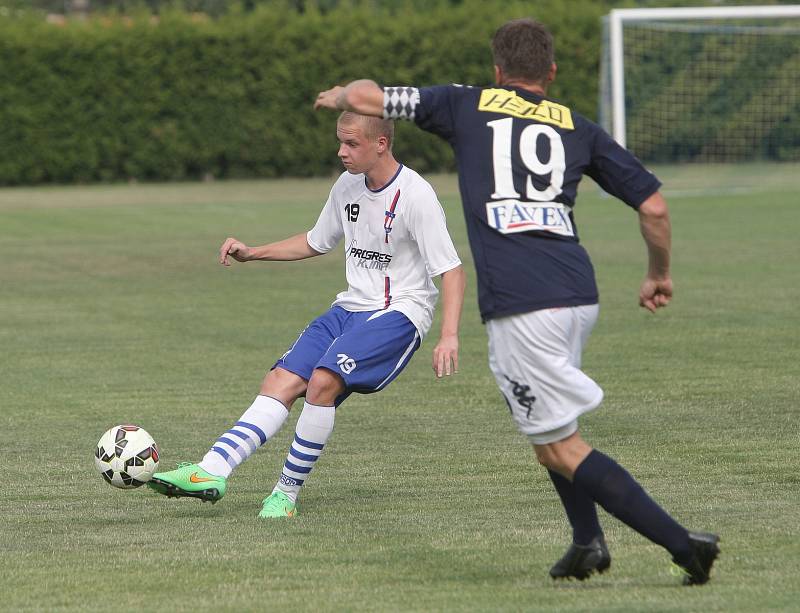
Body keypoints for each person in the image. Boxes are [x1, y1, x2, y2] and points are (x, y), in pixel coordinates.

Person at [312, 18, 719, 585]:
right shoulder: (577, 126)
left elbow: (365, 96)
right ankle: (587, 542)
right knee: (544, 428)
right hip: (577, 295)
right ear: (550, 73)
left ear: (497, 71)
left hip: (523, 306)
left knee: (560, 446)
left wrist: (339, 96)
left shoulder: (466, 104)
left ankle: (685, 546)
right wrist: (659, 274)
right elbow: (652, 206)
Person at [148, 111, 465, 518]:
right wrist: (254, 252)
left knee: (322, 381)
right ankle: (211, 470)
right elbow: (317, 241)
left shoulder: (416, 196)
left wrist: (450, 334)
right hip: (349, 307)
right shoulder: (347, 185)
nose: (341, 151)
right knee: (280, 379)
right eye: (340, 141)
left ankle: (285, 494)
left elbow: (450, 269)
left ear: (381, 144)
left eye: (351, 143)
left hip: (399, 312)